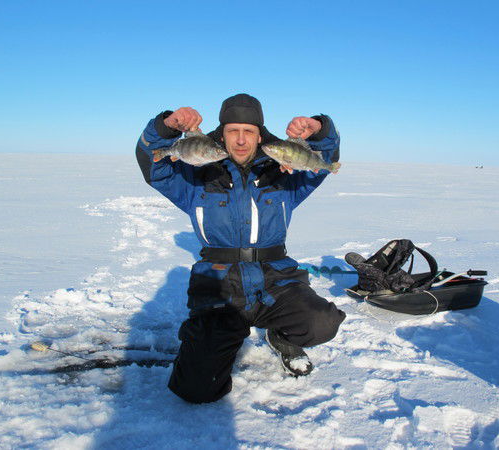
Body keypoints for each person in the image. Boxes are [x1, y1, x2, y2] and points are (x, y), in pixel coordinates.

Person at [136, 93, 345, 404]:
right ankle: (217, 343)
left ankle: (281, 335)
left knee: (322, 322)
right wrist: (166, 126)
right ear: (222, 134)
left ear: (260, 136)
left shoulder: (284, 174)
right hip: (221, 286)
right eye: (233, 131)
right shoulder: (195, 178)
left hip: (276, 280)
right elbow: (153, 163)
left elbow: (322, 161)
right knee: (196, 389)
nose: (241, 140)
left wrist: (320, 129)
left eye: (249, 131)